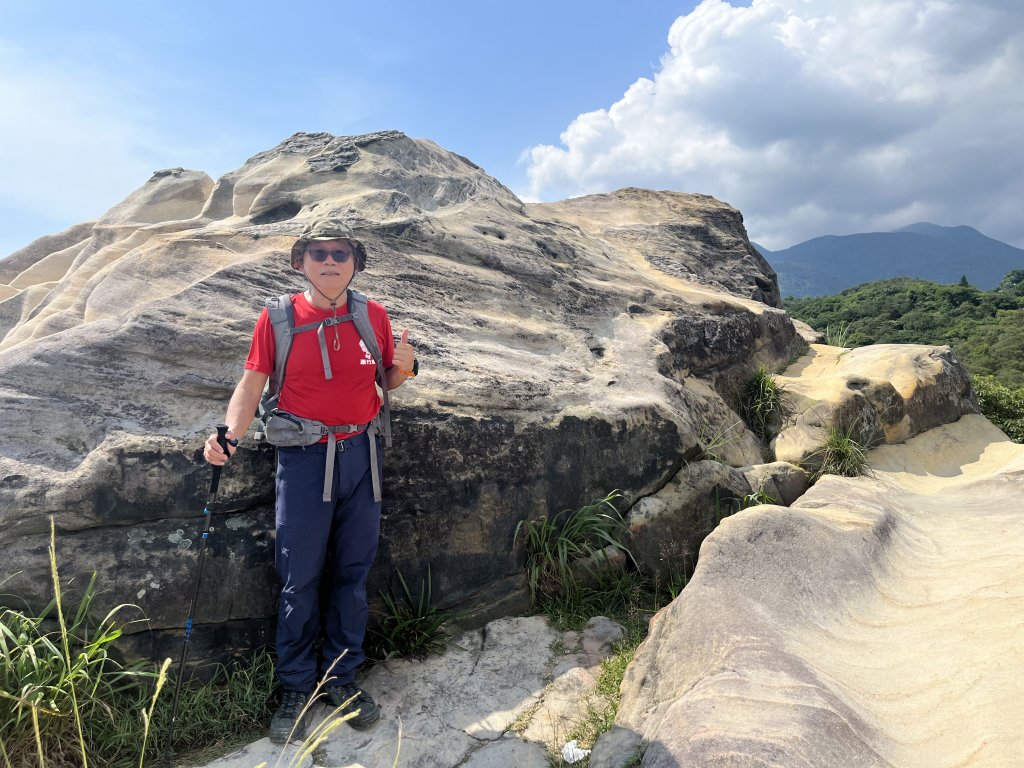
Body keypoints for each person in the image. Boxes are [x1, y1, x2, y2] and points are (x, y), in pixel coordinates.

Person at [203, 218, 416, 742]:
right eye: (317, 253)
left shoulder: (373, 315)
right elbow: (253, 383)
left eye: (340, 253)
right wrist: (228, 435)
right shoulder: (277, 317)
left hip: (362, 454)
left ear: (355, 264)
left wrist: (406, 369)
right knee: (299, 578)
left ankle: (340, 678)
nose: (329, 261)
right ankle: (297, 685)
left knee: (352, 571)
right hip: (303, 459)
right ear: (300, 263)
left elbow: (384, 378)